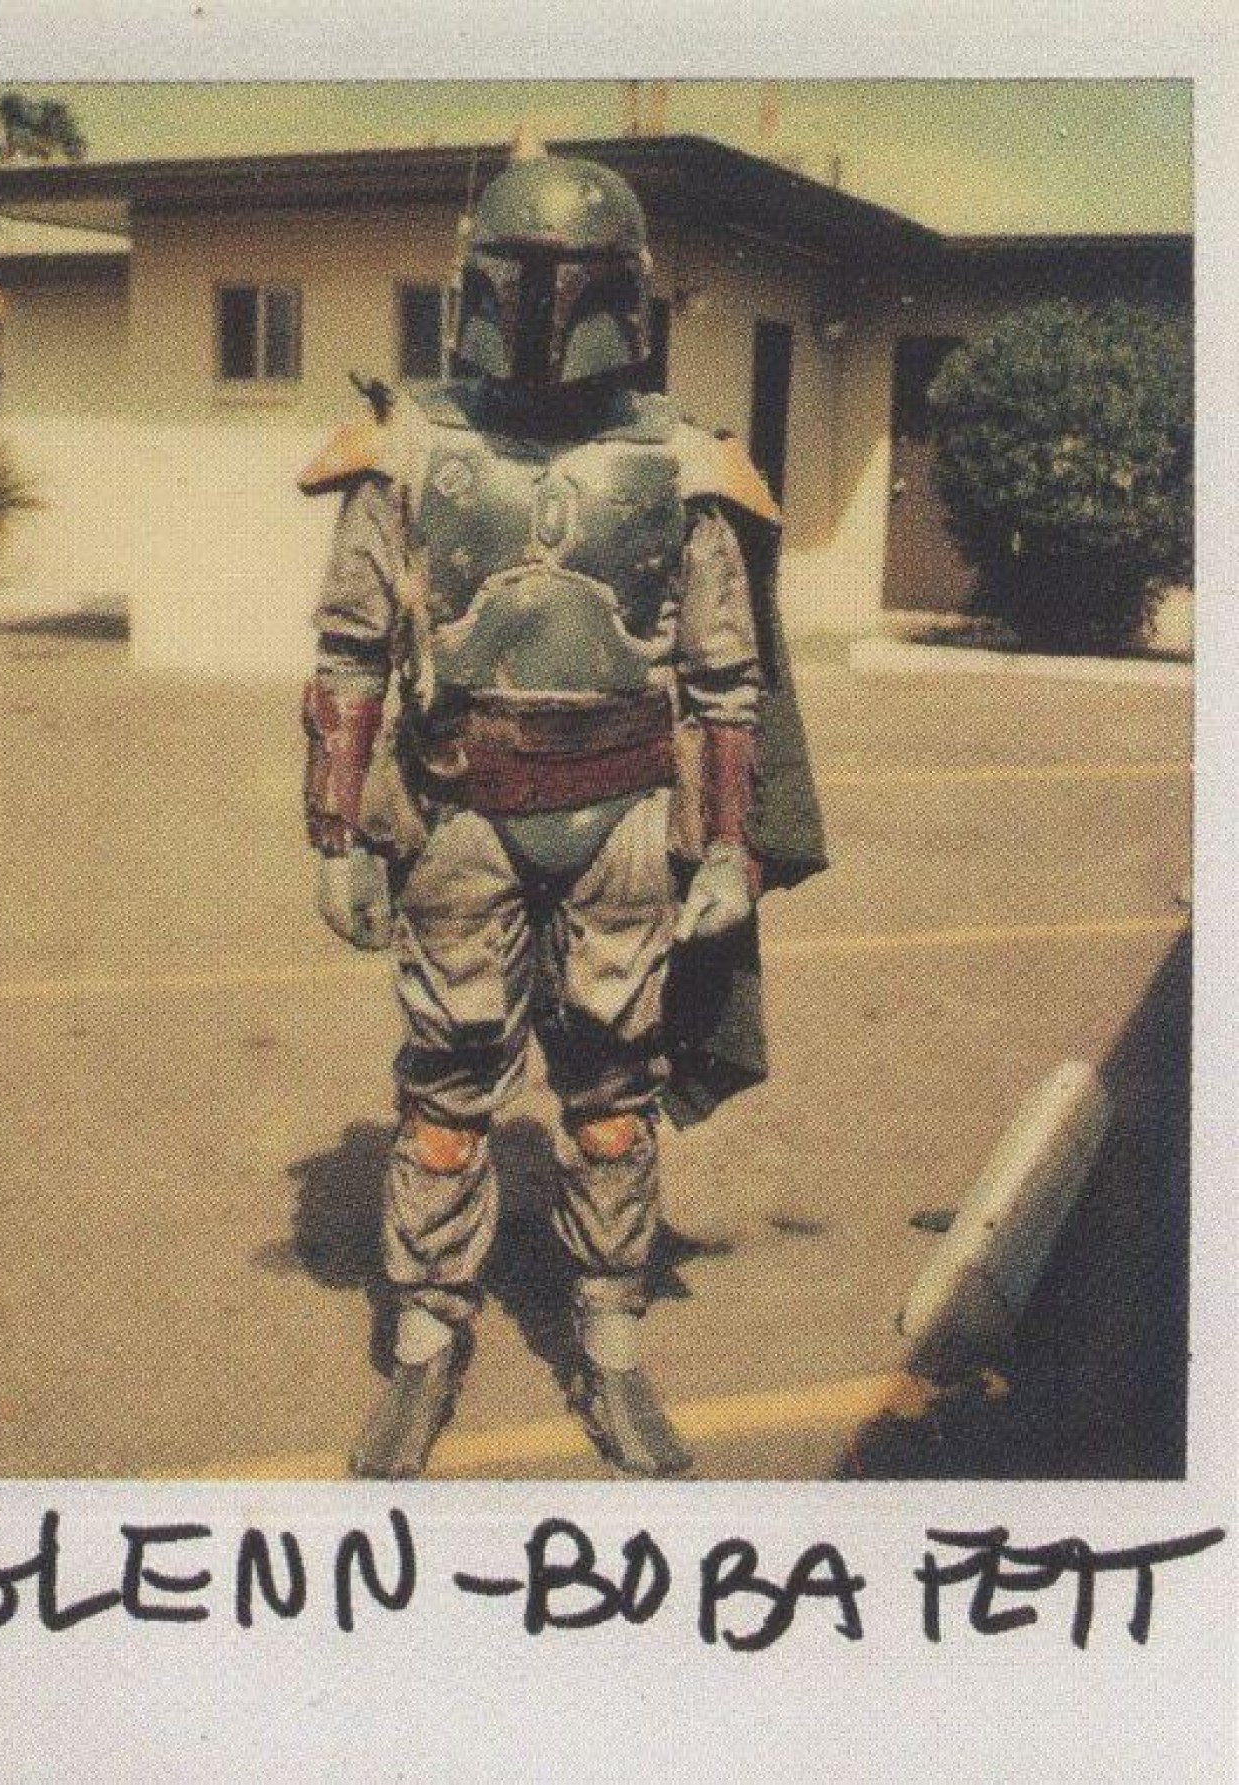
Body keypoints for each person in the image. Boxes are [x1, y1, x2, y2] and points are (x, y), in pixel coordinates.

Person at [298, 146, 827, 1479]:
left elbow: (726, 678)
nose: (544, 303)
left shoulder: (688, 463)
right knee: (445, 1088)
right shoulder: (406, 449)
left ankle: (611, 1337)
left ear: (621, 290)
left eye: (570, 277)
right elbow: (351, 652)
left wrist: (728, 847)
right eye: (521, 275)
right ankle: (428, 1337)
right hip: (459, 819)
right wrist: (338, 831)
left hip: (625, 828)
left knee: (609, 1095)